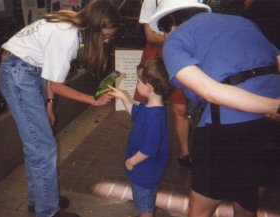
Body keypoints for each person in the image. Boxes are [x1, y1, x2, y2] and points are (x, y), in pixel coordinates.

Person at [149, 0, 280, 216]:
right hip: (270, 128)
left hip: (228, 127)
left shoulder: (175, 41)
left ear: (170, 22)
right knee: (246, 196)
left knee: (200, 207)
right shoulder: (243, 22)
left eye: (163, 30)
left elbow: (208, 90)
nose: (164, 37)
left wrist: (275, 105)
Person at [0, 1, 120, 217]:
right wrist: (93, 100)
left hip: (24, 70)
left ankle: (41, 200)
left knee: (37, 146)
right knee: (43, 148)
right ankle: (48, 211)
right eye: (105, 36)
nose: (107, 40)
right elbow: (55, 84)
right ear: (93, 28)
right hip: (19, 73)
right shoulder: (68, 37)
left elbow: (48, 74)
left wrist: (49, 105)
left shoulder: (68, 24)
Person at [108, 58, 172, 217]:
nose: (136, 84)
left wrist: (131, 161)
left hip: (145, 171)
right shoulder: (150, 107)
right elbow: (135, 113)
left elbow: (148, 150)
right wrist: (123, 96)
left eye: (138, 81)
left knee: (145, 208)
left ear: (148, 87)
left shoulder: (155, 118)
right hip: (145, 170)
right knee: (145, 200)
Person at [135, 0, 191, 168]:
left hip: (177, 56)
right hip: (155, 56)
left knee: (181, 108)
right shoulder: (151, 1)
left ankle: (185, 153)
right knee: (144, 102)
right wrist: (179, 40)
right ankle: (140, 148)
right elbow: (150, 35)